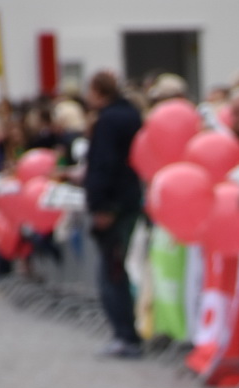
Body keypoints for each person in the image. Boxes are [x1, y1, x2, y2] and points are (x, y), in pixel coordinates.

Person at [83, 71, 145, 357]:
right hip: (129, 201)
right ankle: (127, 331)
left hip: (115, 206)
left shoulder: (109, 120)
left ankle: (125, 334)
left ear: (97, 91)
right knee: (121, 268)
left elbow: (105, 165)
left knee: (113, 271)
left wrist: (102, 205)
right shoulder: (132, 114)